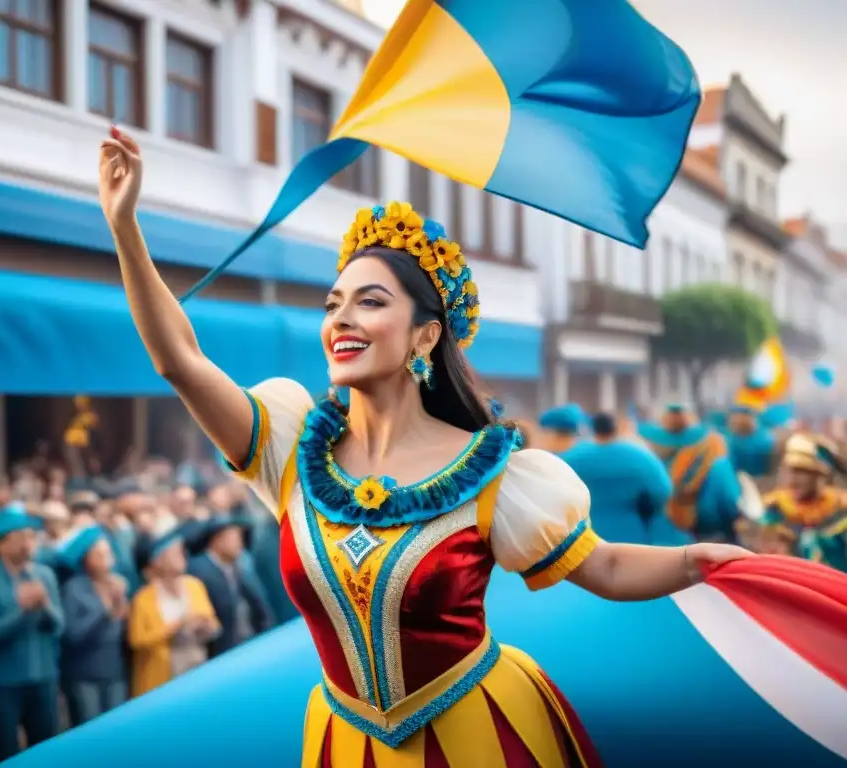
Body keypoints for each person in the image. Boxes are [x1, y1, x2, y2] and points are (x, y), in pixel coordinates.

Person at [98, 128, 752, 766]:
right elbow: (179, 361)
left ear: (422, 337)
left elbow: (603, 568)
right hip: (345, 745)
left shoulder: (498, 476)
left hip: (480, 735)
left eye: (370, 302)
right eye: (334, 304)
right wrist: (125, 228)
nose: (341, 320)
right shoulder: (289, 448)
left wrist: (698, 560)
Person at [0, 505, 63, 764]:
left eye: (30, 536)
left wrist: (45, 606)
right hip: (2, 683)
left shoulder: (43, 574)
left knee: (47, 749)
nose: (27, 543)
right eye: (18, 537)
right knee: (3, 752)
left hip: (42, 676)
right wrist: (20, 612)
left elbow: (58, 627)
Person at [129, 522, 219, 697]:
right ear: (158, 560)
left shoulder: (194, 585)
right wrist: (175, 626)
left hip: (197, 666)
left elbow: (214, 625)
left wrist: (206, 626)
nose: (182, 555)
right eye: (175, 552)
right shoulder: (143, 598)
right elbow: (137, 640)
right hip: (163, 677)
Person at [562, 413, 675, 545]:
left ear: (593, 429)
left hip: (583, 540)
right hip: (630, 537)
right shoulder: (639, 456)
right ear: (615, 429)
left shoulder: (571, 458)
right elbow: (663, 491)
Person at [640, 403, 742, 543]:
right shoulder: (712, 447)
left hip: (655, 540)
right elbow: (729, 500)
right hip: (708, 535)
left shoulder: (642, 452)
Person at [58, 525, 129, 725]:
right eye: (99, 554)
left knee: (116, 727)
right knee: (89, 726)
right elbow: (73, 635)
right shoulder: (74, 589)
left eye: (108, 553)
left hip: (114, 671)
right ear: (86, 559)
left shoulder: (118, 583)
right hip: (85, 674)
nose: (106, 559)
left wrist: (123, 606)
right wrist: (104, 612)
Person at [756, 434, 847, 571]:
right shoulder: (775, 507)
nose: (792, 480)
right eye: (790, 471)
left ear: (820, 475)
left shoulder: (840, 507)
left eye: (801, 472)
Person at [184, 516, 272, 658]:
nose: (240, 544)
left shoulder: (237, 566)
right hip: (223, 651)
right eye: (234, 538)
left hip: (248, 642)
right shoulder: (200, 571)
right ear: (217, 540)